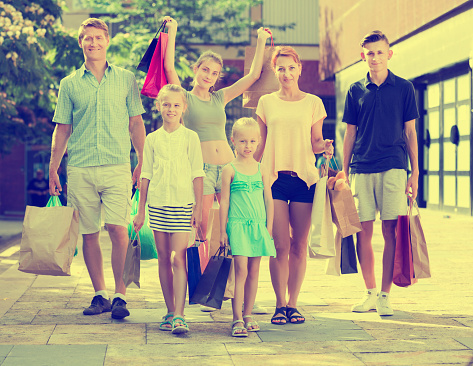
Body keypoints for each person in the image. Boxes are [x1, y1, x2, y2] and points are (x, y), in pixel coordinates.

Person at [163, 16, 272, 313]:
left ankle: (234, 291)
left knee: (233, 226)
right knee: (204, 229)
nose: (210, 75)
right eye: (205, 70)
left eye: (215, 73)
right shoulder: (183, 98)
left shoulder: (220, 97)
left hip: (226, 168)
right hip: (200, 171)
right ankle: (209, 287)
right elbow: (169, 66)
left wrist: (260, 40)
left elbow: (251, 77)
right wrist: (172, 30)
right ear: (196, 70)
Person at [49, 18, 146, 319]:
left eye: (98, 37)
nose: (93, 43)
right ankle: (100, 294)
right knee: (89, 233)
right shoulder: (69, 84)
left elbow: (136, 122)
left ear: (107, 40)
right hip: (79, 167)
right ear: (80, 42)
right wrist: (54, 168)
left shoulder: (126, 79)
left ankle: (120, 295)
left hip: (117, 165)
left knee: (118, 229)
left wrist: (143, 160)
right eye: (87, 38)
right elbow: (62, 129)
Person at [342, 30, 419, 316]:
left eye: (379, 52)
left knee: (391, 232)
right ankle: (370, 293)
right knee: (363, 231)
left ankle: (386, 295)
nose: (374, 57)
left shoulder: (404, 88)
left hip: (395, 167)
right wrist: (345, 170)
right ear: (363, 56)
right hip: (361, 168)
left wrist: (415, 172)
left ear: (389, 53)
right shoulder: (355, 90)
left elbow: (410, 132)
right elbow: (350, 133)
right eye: (369, 53)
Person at [254, 46, 333, 325]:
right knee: (280, 245)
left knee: (299, 245)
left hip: (304, 181)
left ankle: (293, 304)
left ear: (300, 69)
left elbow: (315, 140)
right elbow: (260, 144)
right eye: (281, 68)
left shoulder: (313, 103)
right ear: (275, 71)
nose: (286, 73)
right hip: (273, 180)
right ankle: (278, 304)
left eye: (291, 67)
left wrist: (324, 147)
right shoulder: (266, 102)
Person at [133, 84, 204, 335]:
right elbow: (146, 176)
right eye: (166, 104)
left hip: (183, 205)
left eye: (176, 105)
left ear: (184, 107)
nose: (171, 109)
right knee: (163, 258)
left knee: (178, 258)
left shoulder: (190, 138)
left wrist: (197, 207)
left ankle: (180, 315)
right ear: (158, 106)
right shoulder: (152, 140)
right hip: (158, 205)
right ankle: (169, 310)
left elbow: (198, 173)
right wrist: (140, 211)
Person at [219, 118, 275, 337]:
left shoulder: (262, 169)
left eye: (252, 141)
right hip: (238, 226)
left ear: (259, 142)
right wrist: (223, 230)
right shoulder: (229, 170)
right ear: (233, 141)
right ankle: (237, 318)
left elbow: (268, 199)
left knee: (254, 271)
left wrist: (268, 228)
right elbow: (224, 201)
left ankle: (249, 313)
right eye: (243, 141)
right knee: (240, 270)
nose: (248, 146)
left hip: (258, 227)